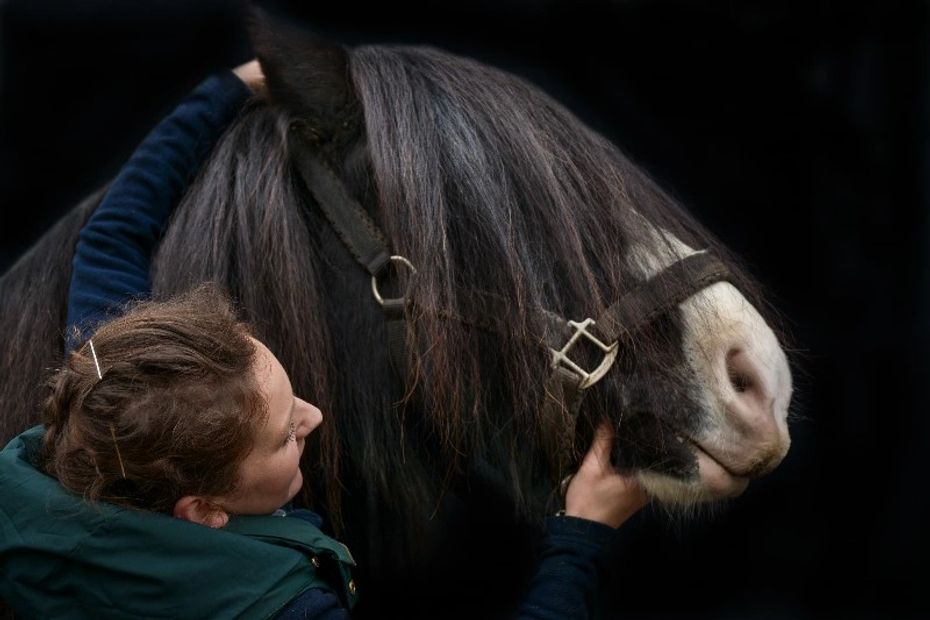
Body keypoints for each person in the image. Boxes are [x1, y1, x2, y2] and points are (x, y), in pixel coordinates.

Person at [0, 60, 648, 619]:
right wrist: (582, 535)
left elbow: (113, 231)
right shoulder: (282, 608)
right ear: (203, 511)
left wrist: (224, 89)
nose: (314, 414)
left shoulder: (108, 404)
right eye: (285, 433)